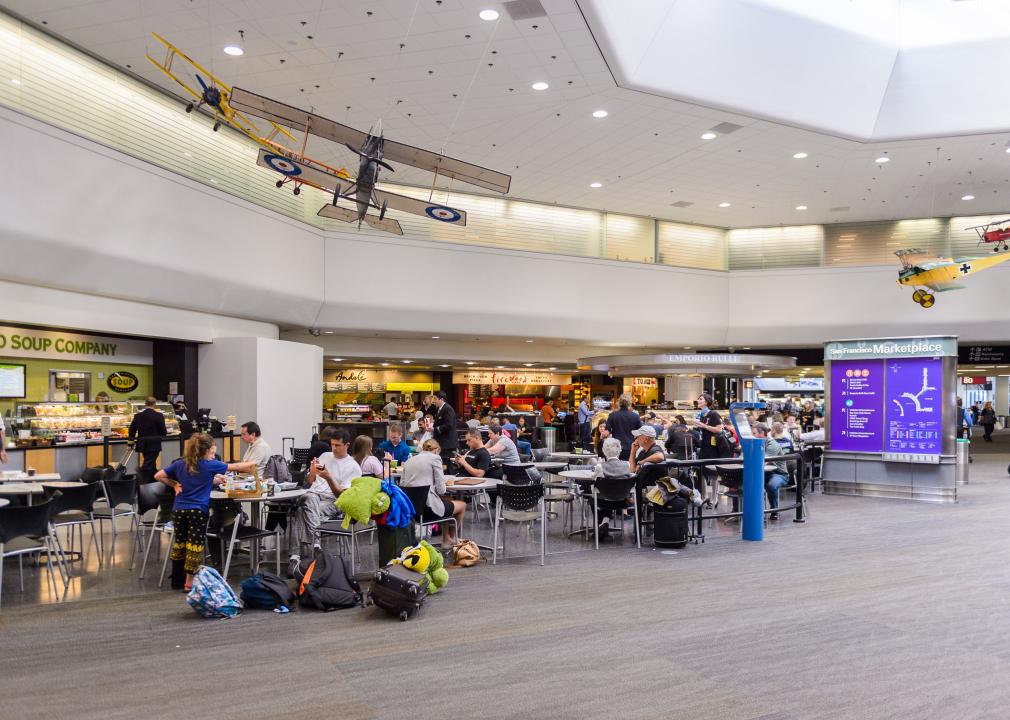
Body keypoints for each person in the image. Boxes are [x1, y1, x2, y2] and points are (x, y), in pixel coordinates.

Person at [155, 433, 255, 591]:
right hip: (197, 510)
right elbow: (236, 467)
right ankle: (189, 583)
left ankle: (177, 580)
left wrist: (174, 484)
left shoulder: (181, 463)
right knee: (195, 545)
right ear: (206, 451)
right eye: (212, 453)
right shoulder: (209, 464)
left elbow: (159, 475)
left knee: (179, 543)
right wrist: (253, 462)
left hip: (179, 510)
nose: (213, 456)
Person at [288, 428, 361, 574]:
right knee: (310, 497)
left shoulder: (353, 467)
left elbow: (342, 496)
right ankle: (315, 546)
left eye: (337, 445)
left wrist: (328, 477)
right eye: (332, 444)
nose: (333, 448)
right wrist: (312, 473)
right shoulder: (325, 456)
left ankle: (295, 557)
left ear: (347, 445)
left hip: (334, 502)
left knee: (302, 511)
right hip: (313, 496)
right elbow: (308, 483)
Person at [399, 439, 466, 548]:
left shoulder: (410, 460)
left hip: (411, 511)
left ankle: (446, 538)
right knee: (462, 505)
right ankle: (451, 539)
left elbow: (402, 484)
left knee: (445, 502)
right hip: (428, 510)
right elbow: (441, 490)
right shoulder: (435, 458)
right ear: (436, 450)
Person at [591, 436, 631, 537]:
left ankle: (601, 524)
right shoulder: (627, 465)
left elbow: (594, 479)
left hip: (604, 502)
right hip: (622, 502)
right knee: (609, 491)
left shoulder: (600, 466)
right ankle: (605, 521)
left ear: (604, 451)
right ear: (619, 451)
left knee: (595, 496)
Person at [752, 422, 789, 520]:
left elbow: (762, 462)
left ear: (762, 433)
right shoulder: (756, 443)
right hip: (764, 473)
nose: (752, 436)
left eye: (754, 433)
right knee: (742, 482)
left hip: (778, 474)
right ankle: (738, 511)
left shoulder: (773, 445)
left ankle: (774, 511)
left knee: (771, 485)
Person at [695, 392, 725, 508]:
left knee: (713, 474)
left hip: (713, 448)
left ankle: (714, 498)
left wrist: (703, 426)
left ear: (706, 402)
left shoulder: (713, 414)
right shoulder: (702, 415)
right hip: (704, 446)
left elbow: (718, 429)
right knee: (702, 472)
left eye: (700, 399)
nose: (698, 401)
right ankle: (704, 496)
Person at [128, 397, 167, 475]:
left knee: (151, 463)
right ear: (154, 404)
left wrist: (130, 443)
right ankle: (142, 479)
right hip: (154, 443)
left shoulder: (138, 416)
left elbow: (132, 430)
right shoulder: (158, 415)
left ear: (145, 404)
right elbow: (163, 431)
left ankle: (152, 480)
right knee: (148, 465)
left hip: (142, 443)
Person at [605, 393, 641, 461]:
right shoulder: (635, 416)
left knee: (616, 469)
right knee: (629, 468)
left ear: (619, 403)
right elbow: (640, 432)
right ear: (630, 403)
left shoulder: (613, 415)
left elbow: (607, 432)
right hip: (630, 447)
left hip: (616, 448)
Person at [431, 391, 459, 465]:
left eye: (435, 399)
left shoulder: (447, 409)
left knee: (447, 465)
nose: (434, 401)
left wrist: (435, 429)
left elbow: (449, 425)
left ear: (442, 399)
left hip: (447, 444)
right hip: (442, 443)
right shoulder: (439, 409)